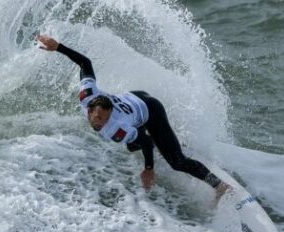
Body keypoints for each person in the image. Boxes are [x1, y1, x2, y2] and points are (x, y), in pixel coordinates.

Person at [36, 34, 230, 197]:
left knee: (177, 162)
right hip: (134, 97)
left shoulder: (116, 127)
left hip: (151, 111)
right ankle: (166, 141)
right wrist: (58, 47)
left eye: (105, 119)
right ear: (90, 109)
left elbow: (144, 142)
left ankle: (219, 186)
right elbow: (84, 62)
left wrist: (148, 169)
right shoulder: (87, 94)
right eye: (98, 118)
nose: (101, 123)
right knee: (130, 145)